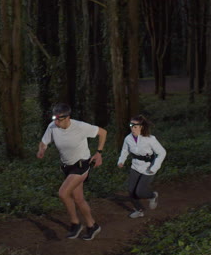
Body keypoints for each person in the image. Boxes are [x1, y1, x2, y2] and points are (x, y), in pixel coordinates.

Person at [37, 103, 107, 240]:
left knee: (63, 193)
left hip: (81, 165)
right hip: (67, 167)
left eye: (59, 119)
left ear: (68, 117)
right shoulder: (52, 126)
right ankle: (92, 225)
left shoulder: (80, 127)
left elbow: (103, 132)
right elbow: (44, 142)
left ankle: (75, 223)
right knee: (79, 199)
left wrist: (99, 153)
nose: (56, 122)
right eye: (54, 119)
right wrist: (42, 149)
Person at [117, 114, 166, 218]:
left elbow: (162, 152)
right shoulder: (128, 138)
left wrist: (155, 167)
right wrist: (121, 160)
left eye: (135, 126)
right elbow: (125, 150)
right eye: (131, 125)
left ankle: (153, 196)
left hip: (149, 168)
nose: (132, 128)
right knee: (131, 191)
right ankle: (139, 210)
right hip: (135, 166)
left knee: (139, 192)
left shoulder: (150, 139)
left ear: (141, 127)